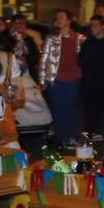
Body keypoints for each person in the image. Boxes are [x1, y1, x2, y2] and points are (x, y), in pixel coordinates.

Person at [40, 9, 86, 143]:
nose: (58, 19)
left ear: (69, 21)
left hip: (73, 78)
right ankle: (61, 136)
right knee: (57, 107)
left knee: (70, 107)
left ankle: (72, 135)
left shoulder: (79, 38)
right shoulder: (51, 38)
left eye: (61, 17)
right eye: (57, 17)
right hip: (56, 78)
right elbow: (44, 58)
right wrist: (42, 79)